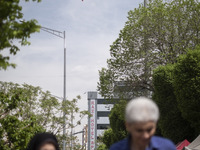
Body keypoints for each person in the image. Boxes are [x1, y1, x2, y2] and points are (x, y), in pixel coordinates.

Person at [110, 97, 176, 150]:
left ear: (155, 125)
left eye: (149, 130)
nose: (145, 136)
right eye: (139, 130)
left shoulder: (167, 147)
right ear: (128, 126)